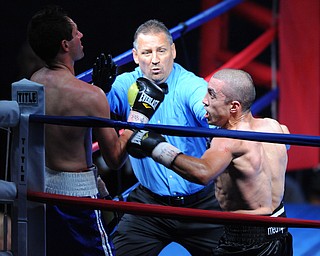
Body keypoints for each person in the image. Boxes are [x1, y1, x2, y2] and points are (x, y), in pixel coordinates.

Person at [27, 6, 165, 256]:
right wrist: (138, 115)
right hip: (77, 198)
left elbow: (66, 121)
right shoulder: (90, 96)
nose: (82, 35)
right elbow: (114, 158)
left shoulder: (34, 81)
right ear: (65, 45)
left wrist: (98, 90)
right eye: (76, 32)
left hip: (41, 190)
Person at [127, 68, 293, 255]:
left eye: (212, 95)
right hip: (280, 231)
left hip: (246, 240)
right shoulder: (275, 127)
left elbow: (202, 172)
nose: (204, 100)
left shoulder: (229, 140)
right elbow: (282, 149)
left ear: (234, 107)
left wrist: (155, 147)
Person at [106, 19, 223, 255]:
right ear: (136, 56)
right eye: (147, 52)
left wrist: (213, 113)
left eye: (161, 50)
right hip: (149, 204)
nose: (155, 60)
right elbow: (92, 108)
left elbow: (210, 112)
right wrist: (99, 90)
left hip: (201, 203)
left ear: (174, 51)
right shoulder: (125, 83)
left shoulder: (191, 85)